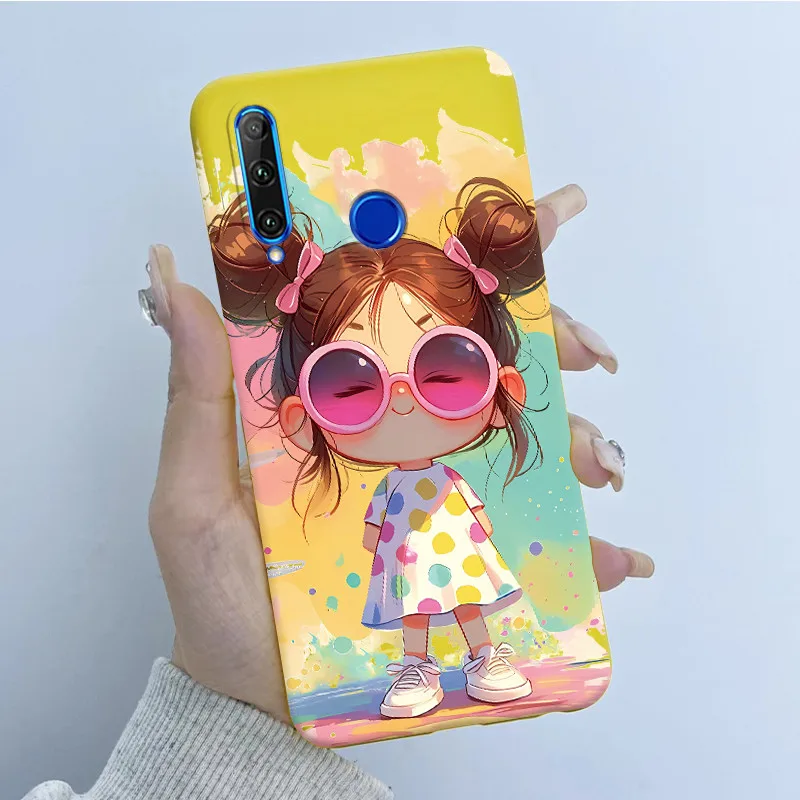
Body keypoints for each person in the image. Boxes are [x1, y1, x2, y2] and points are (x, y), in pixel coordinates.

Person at [23, 185, 653, 800]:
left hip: (455, 550)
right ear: (300, 418)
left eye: (447, 369)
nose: (402, 396)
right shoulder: (387, 488)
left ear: (502, 390)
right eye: (350, 384)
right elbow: (378, 525)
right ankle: (418, 668)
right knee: (414, 614)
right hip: (409, 558)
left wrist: (487, 532)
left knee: (467, 601)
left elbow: (470, 515)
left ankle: (485, 658)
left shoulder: (453, 481)